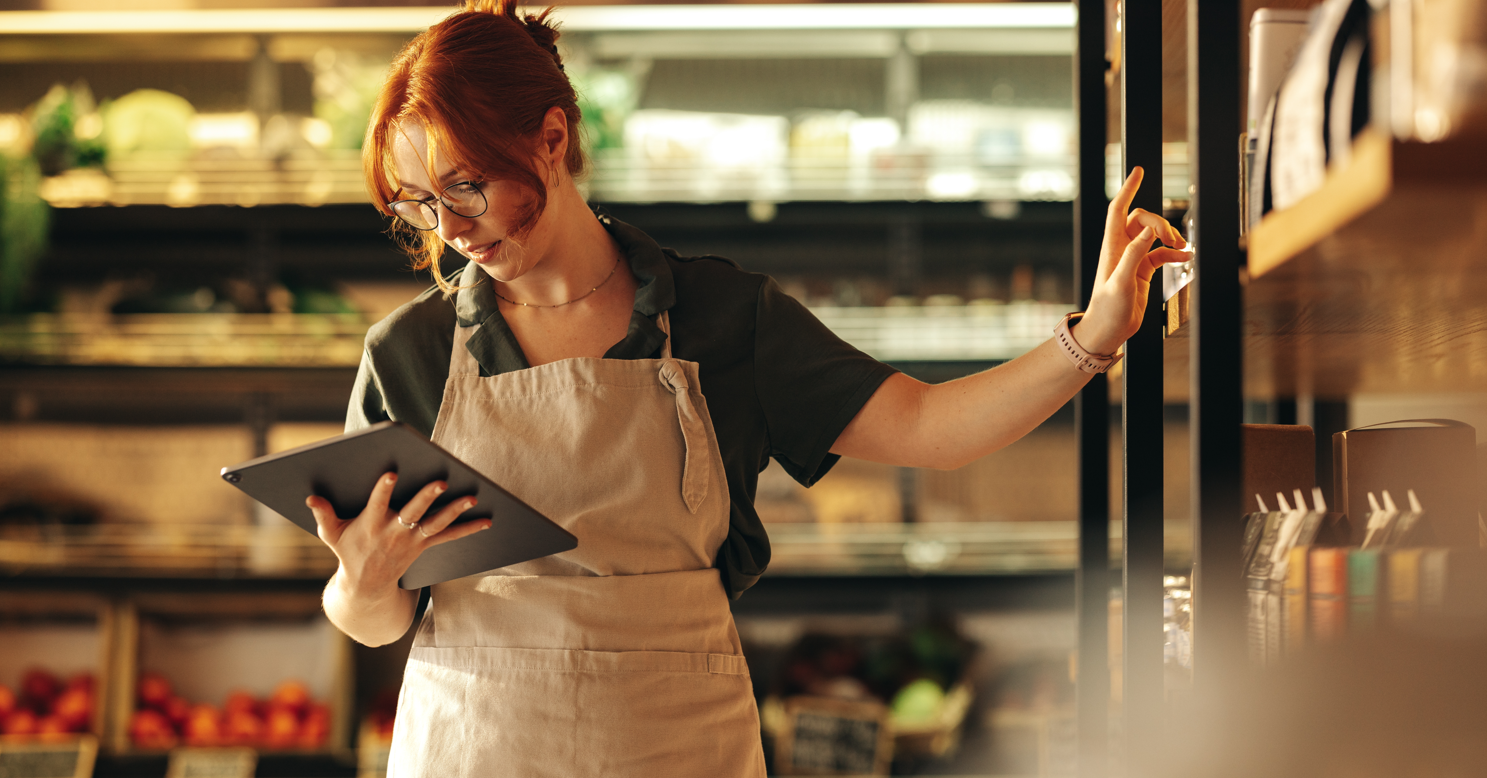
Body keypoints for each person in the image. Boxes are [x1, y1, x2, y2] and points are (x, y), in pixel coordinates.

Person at [303, 1, 1188, 776]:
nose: (449, 230)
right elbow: (371, 619)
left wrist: (1094, 336)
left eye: (467, 188)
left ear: (550, 139)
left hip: (676, 748)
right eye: (416, 203)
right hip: (477, 749)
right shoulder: (408, 355)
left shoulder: (727, 318)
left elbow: (928, 426)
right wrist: (363, 581)